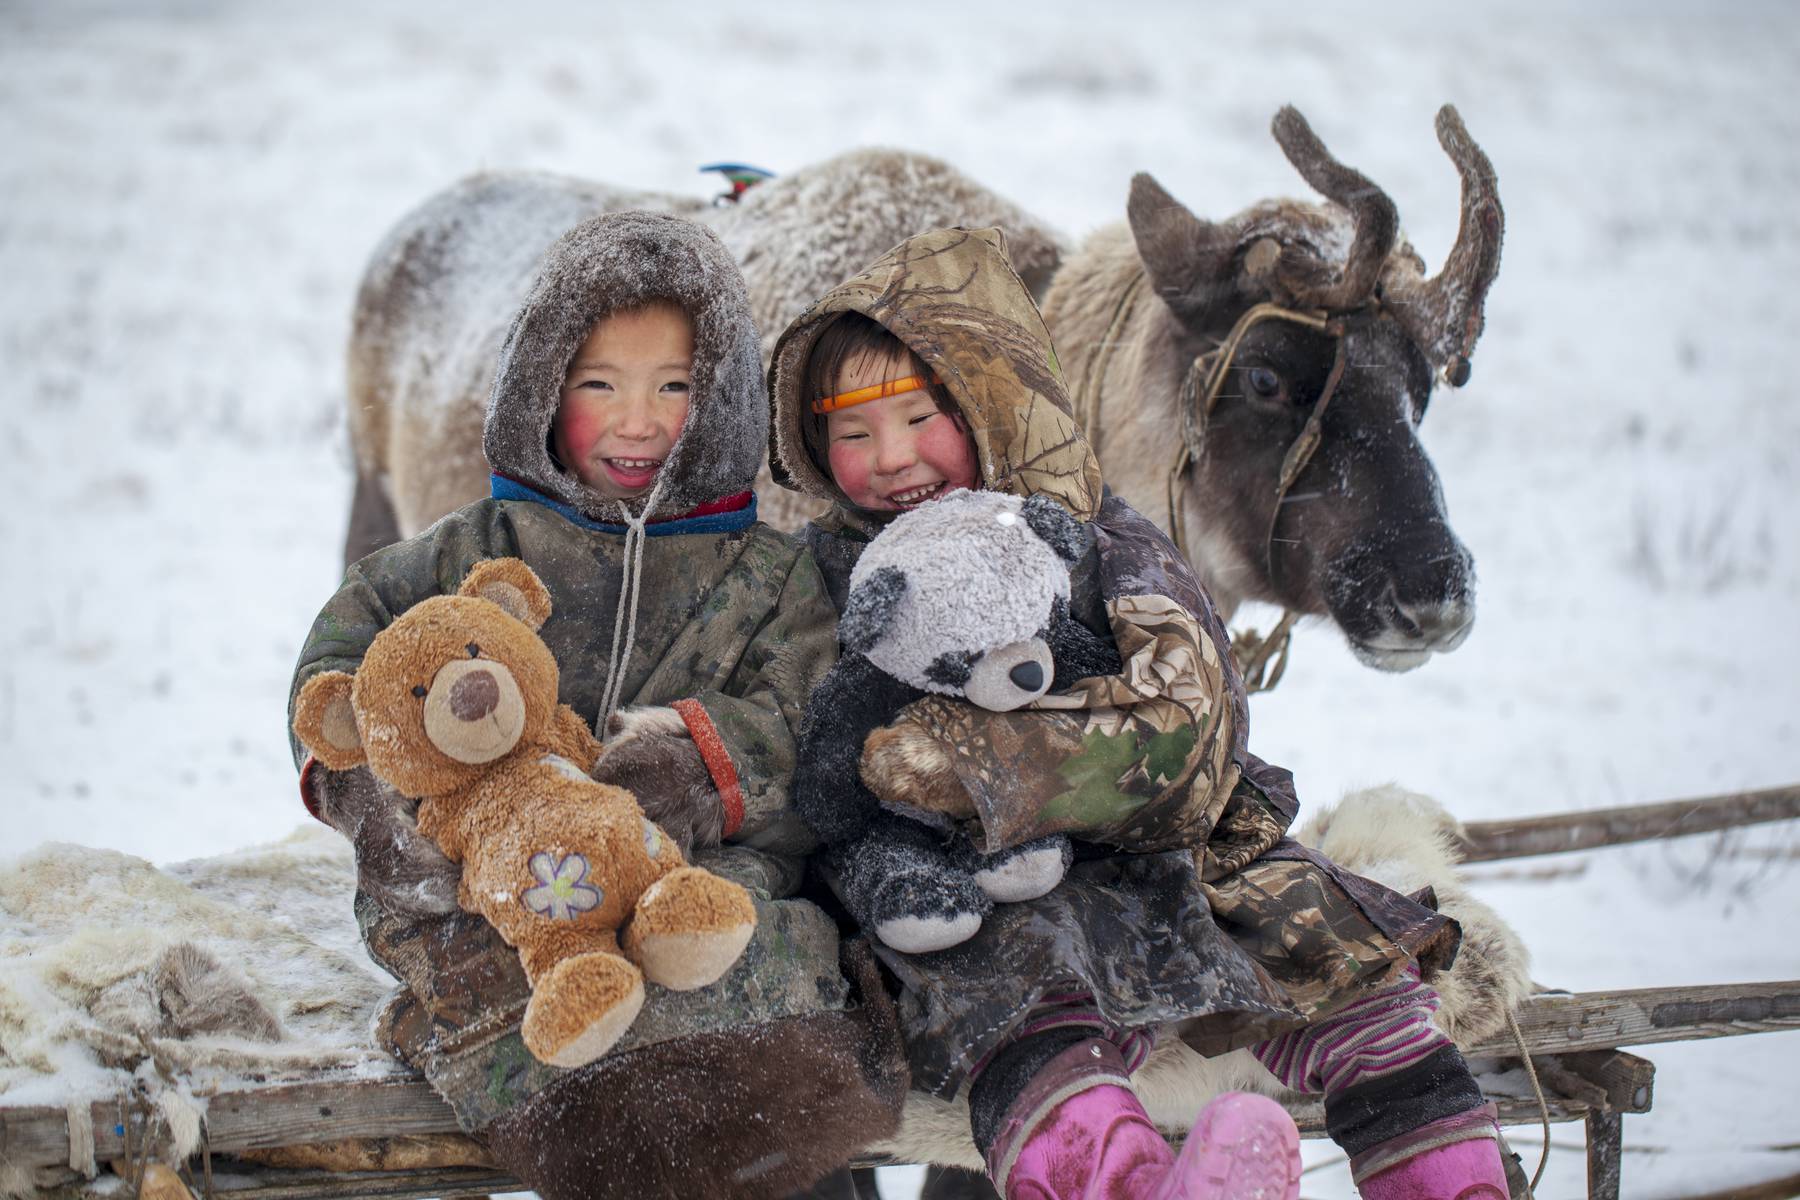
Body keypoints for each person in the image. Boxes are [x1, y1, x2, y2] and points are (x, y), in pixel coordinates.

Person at [763, 227, 1510, 1200]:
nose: (891, 458)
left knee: (1347, 964)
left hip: (1177, 842)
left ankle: (1449, 1181)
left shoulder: (1101, 537)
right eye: (852, 434)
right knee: (1024, 1010)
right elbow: (812, 741)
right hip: (994, 888)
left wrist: (999, 765)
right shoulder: (829, 575)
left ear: (993, 402)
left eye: (920, 418)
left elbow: (1193, 712)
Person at [288, 210, 905, 1200]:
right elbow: (348, 649)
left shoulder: (768, 578)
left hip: (703, 884)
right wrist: (374, 786)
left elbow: (813, 726)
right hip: (498, 889)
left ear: (723, 402)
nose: (639, 420)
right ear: (541, 387)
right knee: (530, 1009)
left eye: (676, 387)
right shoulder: (473, 549)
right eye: (598, 385)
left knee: (766, 1032)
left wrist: (708, 764)